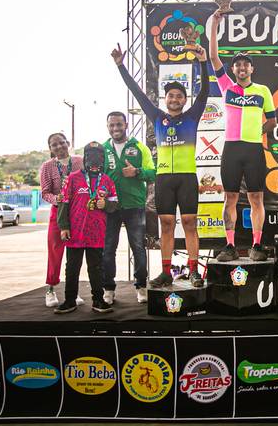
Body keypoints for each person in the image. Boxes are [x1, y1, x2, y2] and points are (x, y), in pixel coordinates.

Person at [112, 43, 208, 289]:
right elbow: (137, 92)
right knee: (166, 225)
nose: (174, 99)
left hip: (186, 178)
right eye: (171, 96)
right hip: (164, 179)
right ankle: (166, 272)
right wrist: (121, 66)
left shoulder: (192, 116)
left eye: (179, 96)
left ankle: (194, 271)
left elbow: (205, 91)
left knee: (190, 223)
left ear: (185, 100)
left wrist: (203, 62)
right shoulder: (157, 117)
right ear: (166, 99)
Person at [208, 9, 277, 262]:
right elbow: (213, 56)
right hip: (232, 148)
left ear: (251, 68)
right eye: (237, 64)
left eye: (246, 64)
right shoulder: (227, 86)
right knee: (230, 197)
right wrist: (215, 23)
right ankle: (230, 246)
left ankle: (257, 245)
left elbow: (273, 121)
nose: (242, 67)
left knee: (256, 197)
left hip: (253, 149)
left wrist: (259, 130)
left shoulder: (263, 90)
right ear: (234, 69)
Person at [100, 111, 156, 305]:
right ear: (108, 127)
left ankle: (141, 286)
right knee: (108, 249)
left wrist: (137, 172)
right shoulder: (103, 149)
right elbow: (96, 177)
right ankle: (108, 288)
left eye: (119, 124)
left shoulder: (140, 147)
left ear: (126, 125)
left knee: (138, 247)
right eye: (112, 125)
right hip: (110, 207)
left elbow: (153, 173)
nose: (115, 128)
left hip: (134, 206)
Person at [56, 142, 118, 314]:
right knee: (72, 268)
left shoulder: (107, 180)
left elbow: (114, 204)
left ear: (103, 159)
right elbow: (63, 203)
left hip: (96, 233)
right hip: (75, 232)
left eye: (98, 155)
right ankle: (70, 300)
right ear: (85, 158)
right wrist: (64, 226)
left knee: (96, 268)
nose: (94, 160)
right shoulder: (73, 178)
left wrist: (106, 204)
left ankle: (98, 300)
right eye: (90, 155)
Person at [39, 133, 85, 307]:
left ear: (68, 143)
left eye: (61, 142)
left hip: (77, 213)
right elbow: (45, 192)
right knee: (55, 250)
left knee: (75, 254)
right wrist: (56, 199)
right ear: (50, 148)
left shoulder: (80, 161)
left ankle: (72, 291)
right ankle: (50, 290)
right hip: (58, 213)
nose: (59, 146)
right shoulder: (47, 166)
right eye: (54, 145)